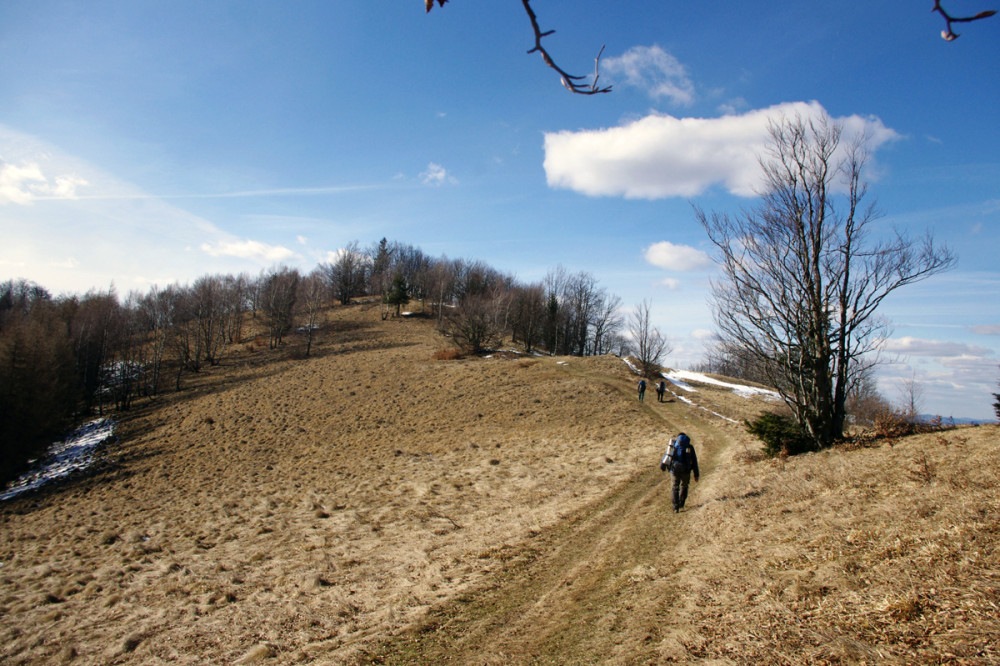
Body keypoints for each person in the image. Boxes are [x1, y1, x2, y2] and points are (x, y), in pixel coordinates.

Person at [662, 432, 699, 513]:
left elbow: (667, 454)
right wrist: (696, 474)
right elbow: (694, 461)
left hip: (674, 470)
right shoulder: (690, 447)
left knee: (675, 487)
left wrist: (663, 464)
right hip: (686, 470)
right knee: (684, 486)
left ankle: (675, 507)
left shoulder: (674, 445)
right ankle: (681, 503)